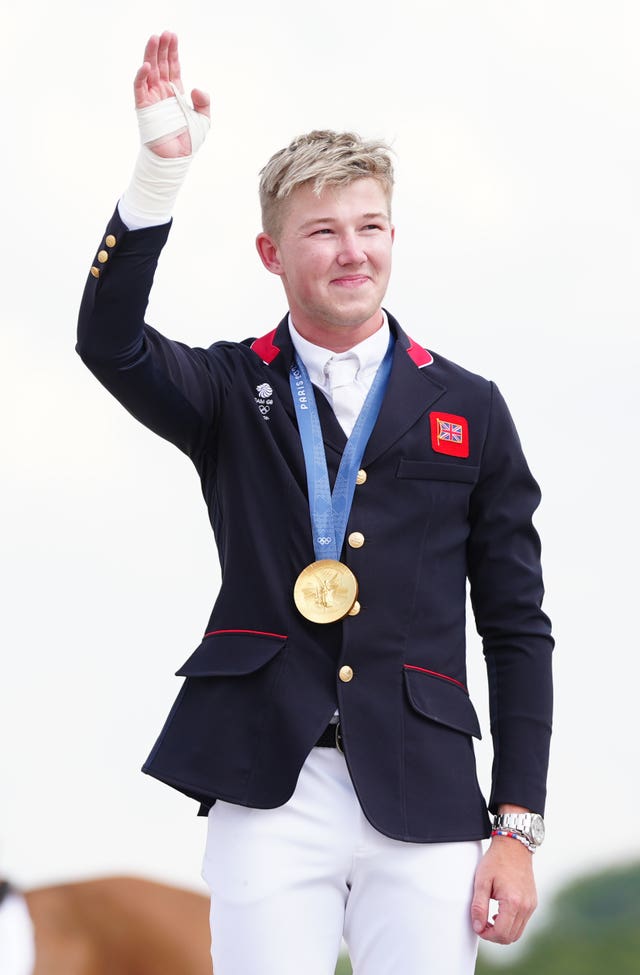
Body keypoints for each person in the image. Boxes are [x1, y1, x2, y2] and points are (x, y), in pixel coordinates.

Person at [76, 31, 553, 975]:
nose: (352, 251)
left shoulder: (470, 406)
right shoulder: (224, 389)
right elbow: (108, 341)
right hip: (267, 784)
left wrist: (518, 826)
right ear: (272, 250)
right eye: (324, 230)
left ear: (392, 236)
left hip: (426, 790)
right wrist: (157, 177)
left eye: (370, 226)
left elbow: (517, 625)